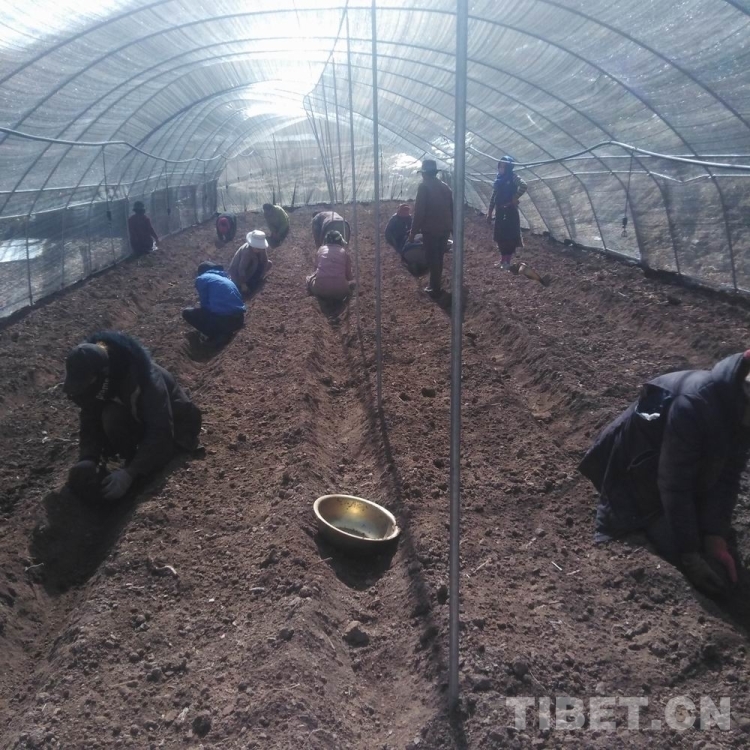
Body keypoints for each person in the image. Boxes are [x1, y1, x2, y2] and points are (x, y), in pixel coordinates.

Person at [579, 351, 750, 596]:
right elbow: (674, 483)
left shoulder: (738, 410)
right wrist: (690, 555)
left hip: (672, 466)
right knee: (677, 549)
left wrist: (714, 534)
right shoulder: (694, 403)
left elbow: (728, 476)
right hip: (634, 467)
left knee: (714, 543)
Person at [63, 331, 202, 502]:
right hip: (141, 420)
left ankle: (137, 473)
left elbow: (161, 431)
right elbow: (90, 416)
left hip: (178, 426)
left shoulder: (146, 379)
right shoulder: (101, 381)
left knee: (113, 418)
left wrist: (131, 472)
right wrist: (88, 457)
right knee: (110, 415)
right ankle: (129, 460)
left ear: (103, 373)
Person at [408, 159, 453, 296]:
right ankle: (436, 283)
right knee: (439, 256)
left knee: (432, 257)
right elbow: (452, 209)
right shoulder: (445, 187)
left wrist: (412, 233)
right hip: (445, 228)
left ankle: (434, 287)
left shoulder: (424, 187)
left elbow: (419, 213)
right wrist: (452, 228)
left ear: (425, 174)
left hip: (431, 229)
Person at [182, 262, 246, 345]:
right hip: (239, 319)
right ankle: (222, 332)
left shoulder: (202, 278)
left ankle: (217, 334)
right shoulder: (225, 278)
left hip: (224, 321)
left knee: (187, 312)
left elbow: (204, 303)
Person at [487, 155, 527, 269]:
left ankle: (507, 261)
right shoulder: (499, 179)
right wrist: (490, 211)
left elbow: (524, 185)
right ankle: (502, 260)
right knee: (500, 236)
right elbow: (494, 196)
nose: (501, 168)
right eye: (500, 166)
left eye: (504, 166)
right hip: (500, 210)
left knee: (509, 236)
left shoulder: (513, 177)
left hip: (510, 211)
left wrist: (515, 197)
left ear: (509, 167)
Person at [306, 230, 355, 301]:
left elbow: (315, 271)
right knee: (351, 284)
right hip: (340, 292)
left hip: (320, 290)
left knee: (308, 279)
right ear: (340, 241)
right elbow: (349, 275)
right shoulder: (344, 252)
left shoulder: (321, 250)